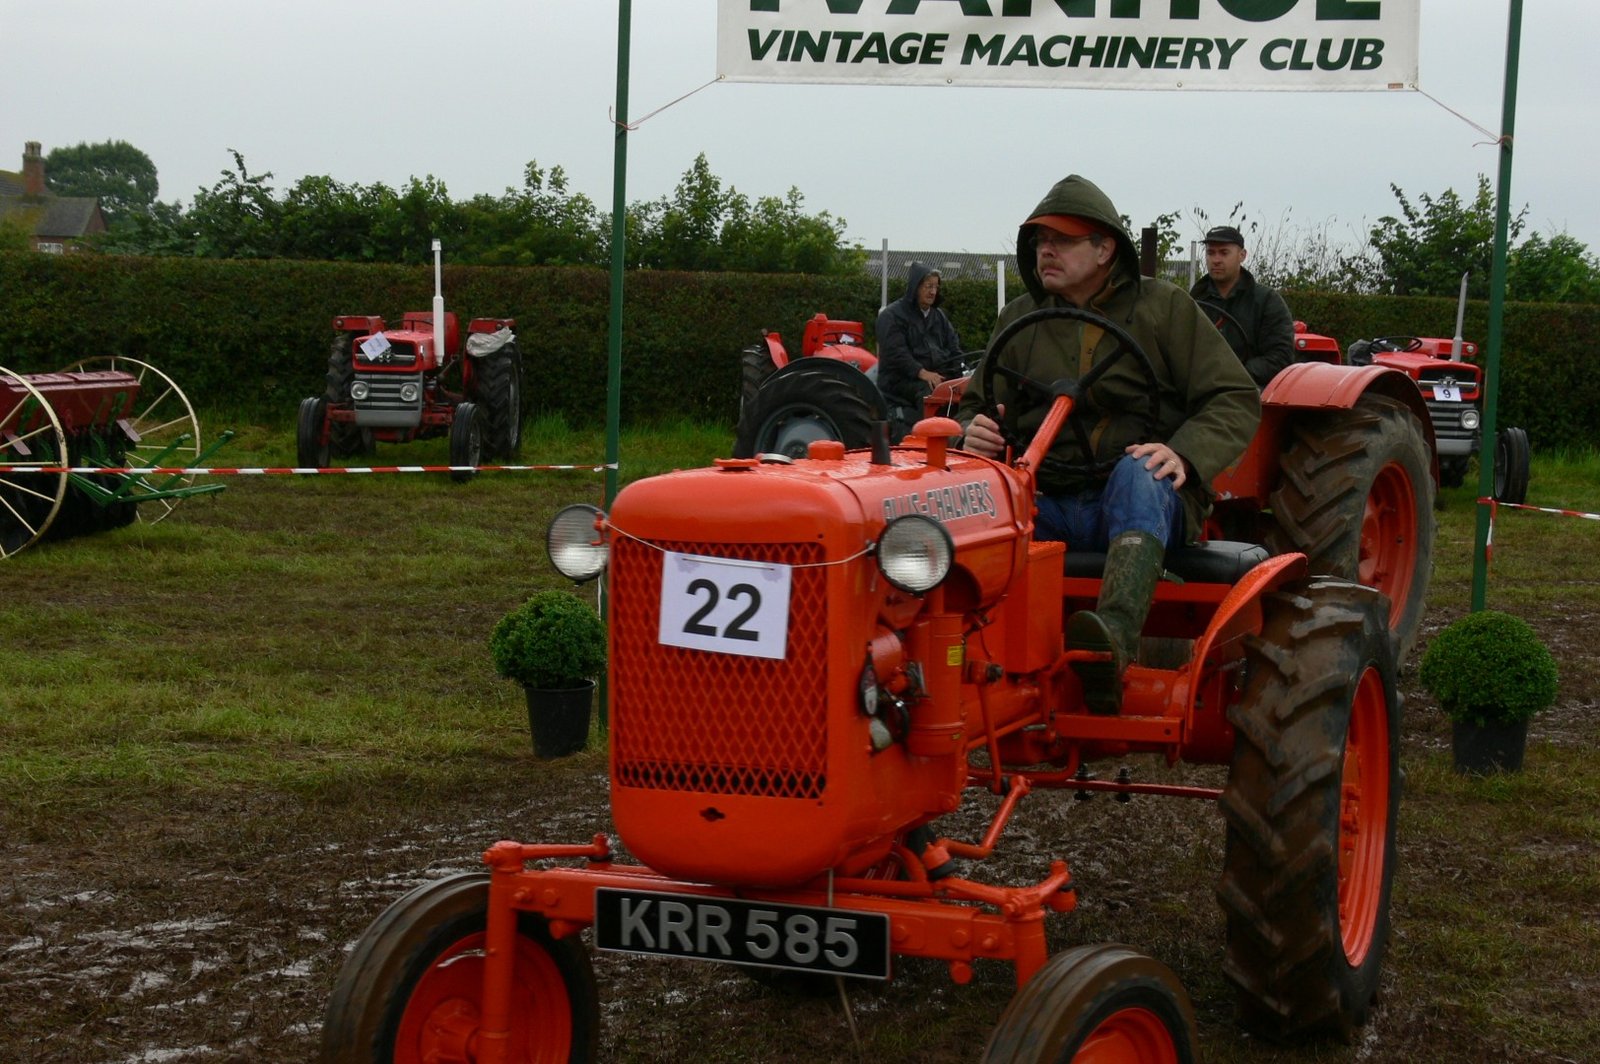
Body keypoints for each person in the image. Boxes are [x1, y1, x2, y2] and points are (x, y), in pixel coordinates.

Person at [959, 175, 1260, 713]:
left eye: (1063, 240)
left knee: (1139, 469)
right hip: (1048, 500)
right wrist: (971, 430)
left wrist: (1184, 452)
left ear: (1105, 250)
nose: (1046, 250)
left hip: (1142, 501)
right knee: (978, 500)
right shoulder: (1020, 319)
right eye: (1040, 240)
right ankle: (965, 661)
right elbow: (977, 405)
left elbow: (1235, 397)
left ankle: (1111, 641)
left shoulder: (1164, 308)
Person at [1188, 224, 1294, 388]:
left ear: (1242, 255)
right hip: (1199, 388)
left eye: (1224, 253)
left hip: (1250, 389)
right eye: (1211, 253)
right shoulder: (1193, 301)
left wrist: (1234, 375)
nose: (1216, 260)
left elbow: (1280, 357)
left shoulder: (1267, 301)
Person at [876, 262, 965, 440]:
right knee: (928, 392)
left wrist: (959, 375)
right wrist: (922, 373)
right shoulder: (892, 316)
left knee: (963, 392)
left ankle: (958, 438)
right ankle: (922, 440)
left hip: (936, 377)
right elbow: (896, 353)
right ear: (915, 287)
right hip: (900, 380)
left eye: (935, 287)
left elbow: (954, 347)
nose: (933, 292)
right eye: (928, 286)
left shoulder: (939, 316)